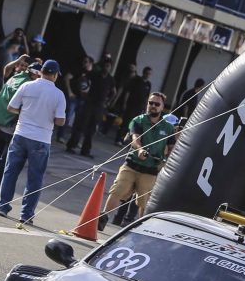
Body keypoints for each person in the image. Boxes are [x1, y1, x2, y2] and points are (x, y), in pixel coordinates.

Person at [0, 60, 66, 225]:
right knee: (35, 178)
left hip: (21, 133)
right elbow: (60, 121)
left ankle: (3, 206)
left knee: (10, 171)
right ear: (55, 75)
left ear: (41, 71)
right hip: (41, 138)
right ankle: (26, 214)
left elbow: (11, 107)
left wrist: (24, 112)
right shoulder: (58, 94)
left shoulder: (27, 86)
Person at [99, 92, 176, 231]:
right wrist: (140, 150)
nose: (153, 106)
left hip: (150, 170)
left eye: (157, 104)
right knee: (117, 190)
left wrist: (166, 161)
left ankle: (143, 229)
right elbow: (135, 138)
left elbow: (172, 147)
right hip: (132, 165)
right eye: (150, 103)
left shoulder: (168, 128)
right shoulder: (138, 120)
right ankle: (103, 217)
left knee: (145, 203)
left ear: (162, 107)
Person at [0, 54, 35, 209]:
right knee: (1, 166)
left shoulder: (15, 78)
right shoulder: (27, 85)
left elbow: (6, 69)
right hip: (10, 129)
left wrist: (17, 61)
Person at [67, 54, 115, 157]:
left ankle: (85, 150)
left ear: (110, 67)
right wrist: (84, 92)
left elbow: (114, 92)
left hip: (99, 106)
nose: (106, 68)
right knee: (81, 125)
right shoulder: (95, 74)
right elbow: (83, 80)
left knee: (92, 129)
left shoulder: (110, 79)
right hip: (89, 103)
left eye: (108, 66)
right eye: (105, 65)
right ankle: (71, 146)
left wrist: (108, 102)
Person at [60, 55, 93, 144]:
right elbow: (66, 77)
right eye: (83, 61)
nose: (84, 63)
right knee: (67, 117)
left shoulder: (92, 74)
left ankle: (74, 139)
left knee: (79, 120)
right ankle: (61, 136)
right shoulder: (78, 70)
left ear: (90, 63)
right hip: (75, 97)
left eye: (86, 62)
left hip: (84, 99)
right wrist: (70, 92)